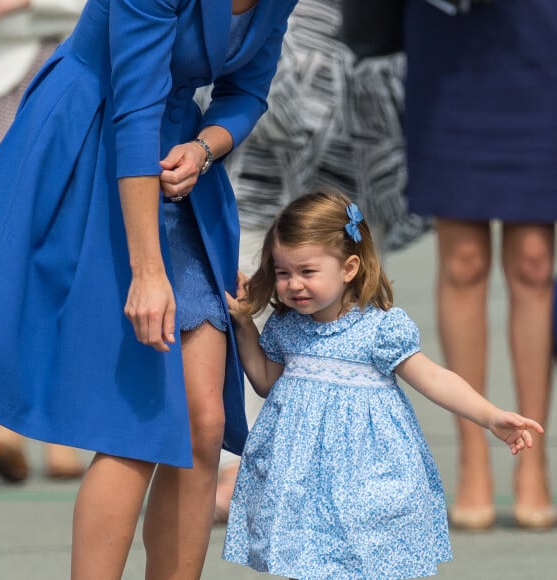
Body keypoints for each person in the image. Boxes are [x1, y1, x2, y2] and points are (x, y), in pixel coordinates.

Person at [0, 0, 299, 577]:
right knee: (137, 423)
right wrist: (147, 273)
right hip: (91, 147)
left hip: (176, 160)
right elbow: (136, 104)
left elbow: (247, 91)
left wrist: (205, 148)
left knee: (204, 425)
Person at [221, 189, 544, 579]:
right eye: (282, 272)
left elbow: (434, 378)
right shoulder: (287, 327)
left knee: (368, 563)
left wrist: (490, 416)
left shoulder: (379, 328)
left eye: (307, 272)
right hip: (302, 480)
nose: (293, 285)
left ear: (349, 267)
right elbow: (266, 382)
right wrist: (242, 325)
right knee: (304, 562)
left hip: (367, 480)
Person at [213, 0, 431, 522]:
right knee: (250, 256)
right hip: (275, 49)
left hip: (358, 55)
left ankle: (316, 463)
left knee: (331, 245)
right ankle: (237, 460)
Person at [404, 0, 556, 530]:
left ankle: (533, 459)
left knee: (535, 260)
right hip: (451, 37)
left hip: (541, 35)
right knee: (464, 259)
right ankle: (473, 461)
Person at [0, 0, 86, 483]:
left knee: (54, 251)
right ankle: (11, 428)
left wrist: (24, 1)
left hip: (57, 70)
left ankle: (54, 433)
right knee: (1, 254)